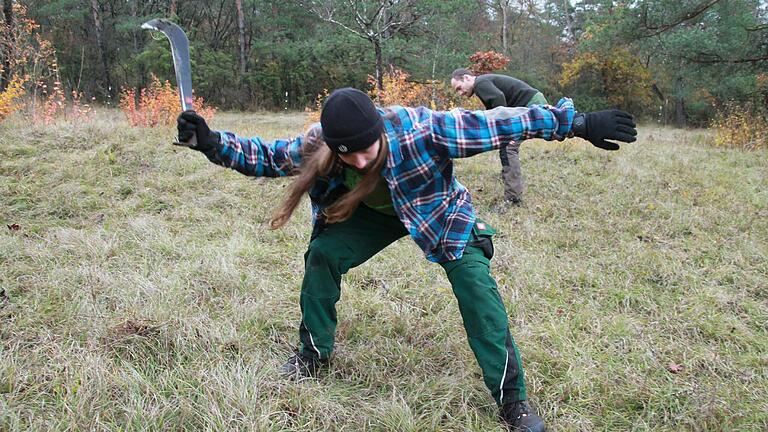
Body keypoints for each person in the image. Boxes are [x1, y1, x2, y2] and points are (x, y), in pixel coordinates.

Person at [176, 88, 636, 431]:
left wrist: (575, 123)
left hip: (438, 213)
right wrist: (213, 142)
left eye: (365, 148)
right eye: (346, 152)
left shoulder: (423, 130)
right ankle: (313, 354)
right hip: (373, 217)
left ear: (378, 129)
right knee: (322, 254)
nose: (357, 159)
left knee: (477, 290)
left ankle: (511, 400)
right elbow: (269, 155)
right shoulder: (325, 145)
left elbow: (503, 122)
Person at [451, 69, 549, 207]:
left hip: (532, 105)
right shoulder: (483, 82)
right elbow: (494, 110)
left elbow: (498, 100)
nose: (460, 93)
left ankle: (513, 199)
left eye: (459, 88)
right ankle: (508, 179)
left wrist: (502, 127)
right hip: (531, 104)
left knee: (509, 147)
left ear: (467, 78)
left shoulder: (480, 83)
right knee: (505, 145)